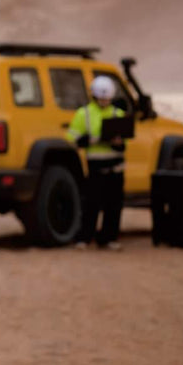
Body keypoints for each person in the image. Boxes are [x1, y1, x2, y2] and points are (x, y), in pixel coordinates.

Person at [66, 74, 127, 250]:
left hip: (116, 167)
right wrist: (93, 140)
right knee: (91, 204)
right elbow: (72, 139)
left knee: (114, 205)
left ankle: (109, 238)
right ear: (94, 96)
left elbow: (124, 145)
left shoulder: (118, 114)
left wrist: (118, 142)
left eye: (106, 99)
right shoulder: (83, 114)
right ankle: (84, 237)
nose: (104, 102)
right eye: (101, 98)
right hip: (95, 168)